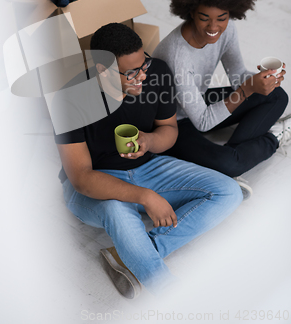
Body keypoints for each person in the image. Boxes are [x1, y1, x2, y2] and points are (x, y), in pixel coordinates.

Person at [53, 22, 243, 299]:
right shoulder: (69, 100)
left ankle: (130, 252)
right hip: (96, 179)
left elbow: (169, 130)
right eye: (131, 73)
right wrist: (145, 197)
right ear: (101, 69)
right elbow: (81, 178)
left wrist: (150, 141)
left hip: (149, 166)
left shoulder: (156, 73)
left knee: (229, 191)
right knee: (116, 211)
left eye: (143, 66)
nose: (142, 76)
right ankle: (171, 297)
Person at [153, 0, 290, 196]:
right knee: (227, 163)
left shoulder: (227, 30)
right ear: (191, 11)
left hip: (199, 101)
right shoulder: (175, 55)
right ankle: (272, 139)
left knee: (277, 95)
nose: (214, 27)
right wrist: (248, 90)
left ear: (232, 12)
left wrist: (263, 81)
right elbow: (202, 121)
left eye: (222, 18)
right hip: (173, 121)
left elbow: (237, 75)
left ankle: (235, 154)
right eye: (204, 18)